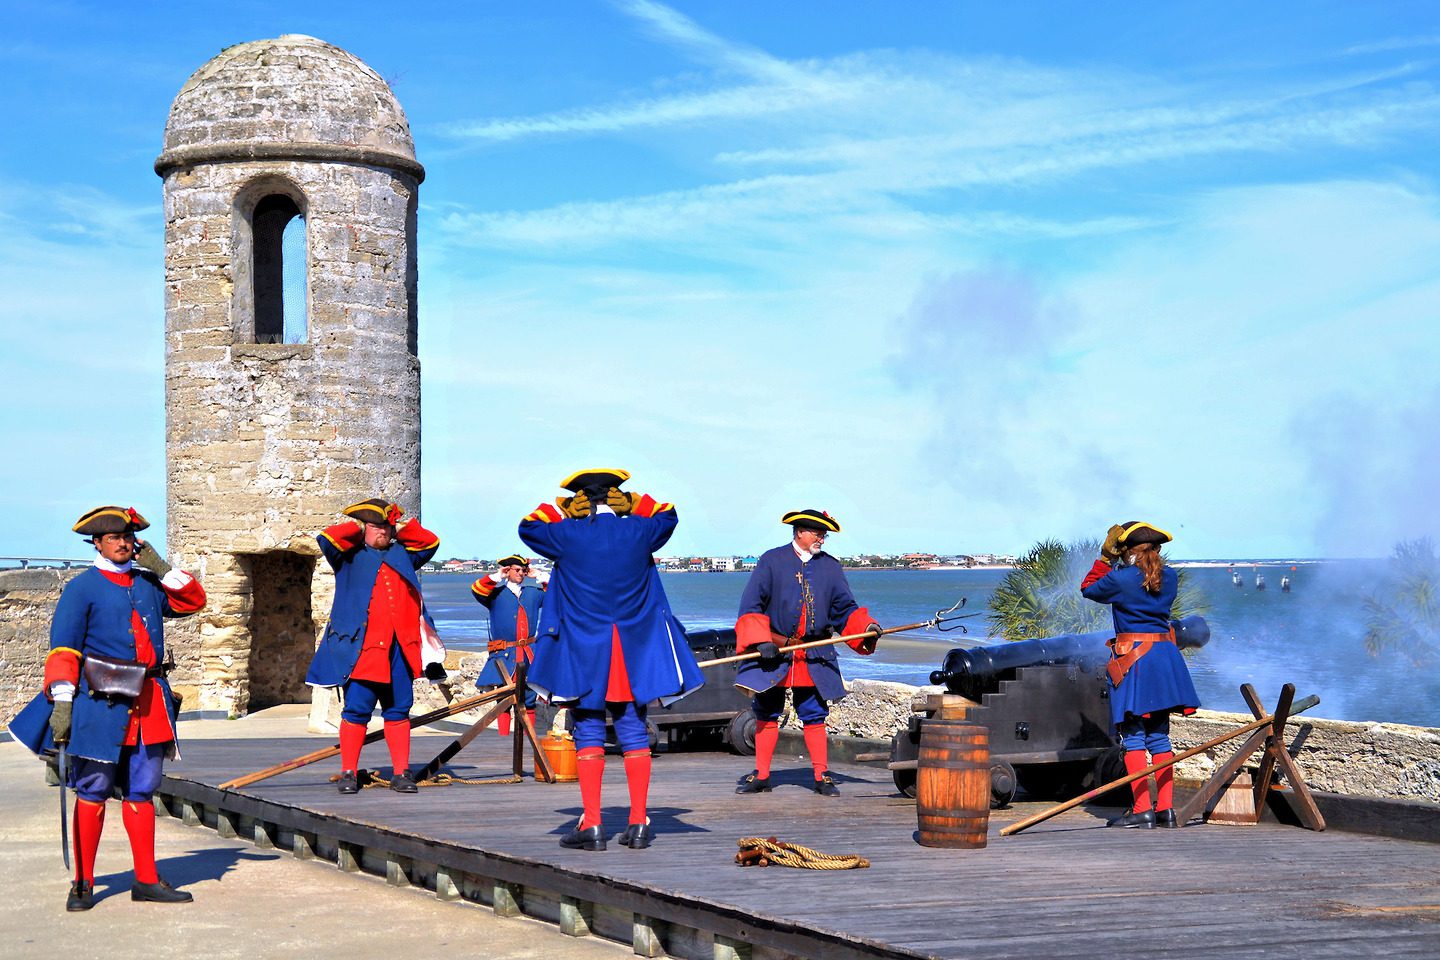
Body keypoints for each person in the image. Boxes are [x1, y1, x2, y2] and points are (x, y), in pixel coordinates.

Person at [9, 506, 206, 911]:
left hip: (149, 703)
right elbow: (64, 648)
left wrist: (160, 566)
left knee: (142, 790)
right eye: (113, 537)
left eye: (128, 536)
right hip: (100, 704)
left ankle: (147, 880)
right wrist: (63, 703)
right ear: (96, 542)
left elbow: (193, 602)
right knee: (93, 790)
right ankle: (83, 882)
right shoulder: (80, 589)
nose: (122, 542)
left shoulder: (149, 584)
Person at [519, 468, 705, 851]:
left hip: (585, 652)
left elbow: (528, 526)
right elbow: (668, 515)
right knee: (634, 728)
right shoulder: (639, 531)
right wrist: (638, 504)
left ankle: (594, 824)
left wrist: (563, 513)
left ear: (578, 500)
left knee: (587, 728)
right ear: (617, 497)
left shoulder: (566, 534)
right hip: (632, 650)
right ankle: (638, 823)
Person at [733, 509, 881, 797]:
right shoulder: (771, 561)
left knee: (814, 714)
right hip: (775, 651)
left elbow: (844, 609)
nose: (822, 539)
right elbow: (751, 605)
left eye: (823, 535)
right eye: (817, 533)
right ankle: (762, 775)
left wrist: (867, 626)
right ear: (800, 532)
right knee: (766, 712)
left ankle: (821, 775)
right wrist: (761, 641)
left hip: (814, 653)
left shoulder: (831, 567)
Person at [304, 498, 442, 795]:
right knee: (356, 712)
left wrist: (399, 526)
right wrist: (357, 525)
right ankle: (349, 772)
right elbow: (327, 537)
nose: (383, 532)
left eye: (386, 527)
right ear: (365, 528)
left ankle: (402, 772)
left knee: (399, 711)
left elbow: (430, 542)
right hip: (363, 650)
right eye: (377, 527)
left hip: (400, 650)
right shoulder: (347, 556)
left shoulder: (403, 554)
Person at [1081, 521, 1201, 829]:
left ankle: (1142, 809)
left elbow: (1089, 588)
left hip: (1135, 661)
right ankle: (1166, 810)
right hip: (1165, 658)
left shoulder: (1121, 579)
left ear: (1125, 552)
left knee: (1133, 735)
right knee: (1159, 736)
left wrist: (1105, 558)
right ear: (1158, 549)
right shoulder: (1169, 577)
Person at [471, 554, 548, 737]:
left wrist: (540, 575)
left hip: (529, 653)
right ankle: (503, 739)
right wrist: (498, 576)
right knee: (504, 700)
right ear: (508, 570)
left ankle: (529, 738)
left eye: (523, 570)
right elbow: (477, 590)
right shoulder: (495, 595)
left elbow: (557, 595)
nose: (521, 573)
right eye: (517, 570)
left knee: (529, 698)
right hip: (504, 655)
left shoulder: (533, 593)